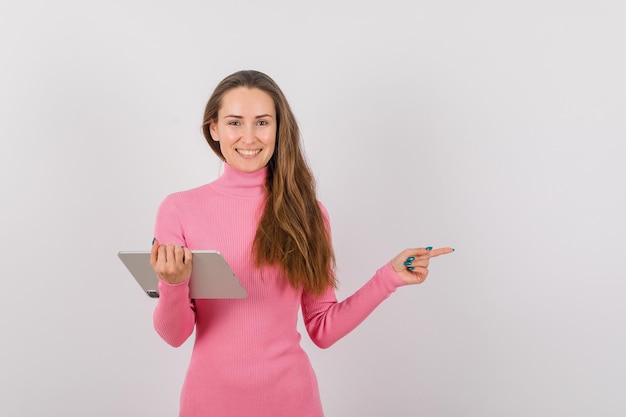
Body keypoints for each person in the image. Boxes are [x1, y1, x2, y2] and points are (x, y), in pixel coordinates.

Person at [149, 69, 454, 417]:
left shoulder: (308, 214)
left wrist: (389, 277)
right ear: (213, 128)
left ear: (279, 129)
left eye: (262, 122)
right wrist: (172, 284)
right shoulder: (178, 210)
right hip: (209, 404)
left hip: (292, 403)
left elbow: (322, 327)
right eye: (235, 122)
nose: (249, 136)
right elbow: (174, 335)